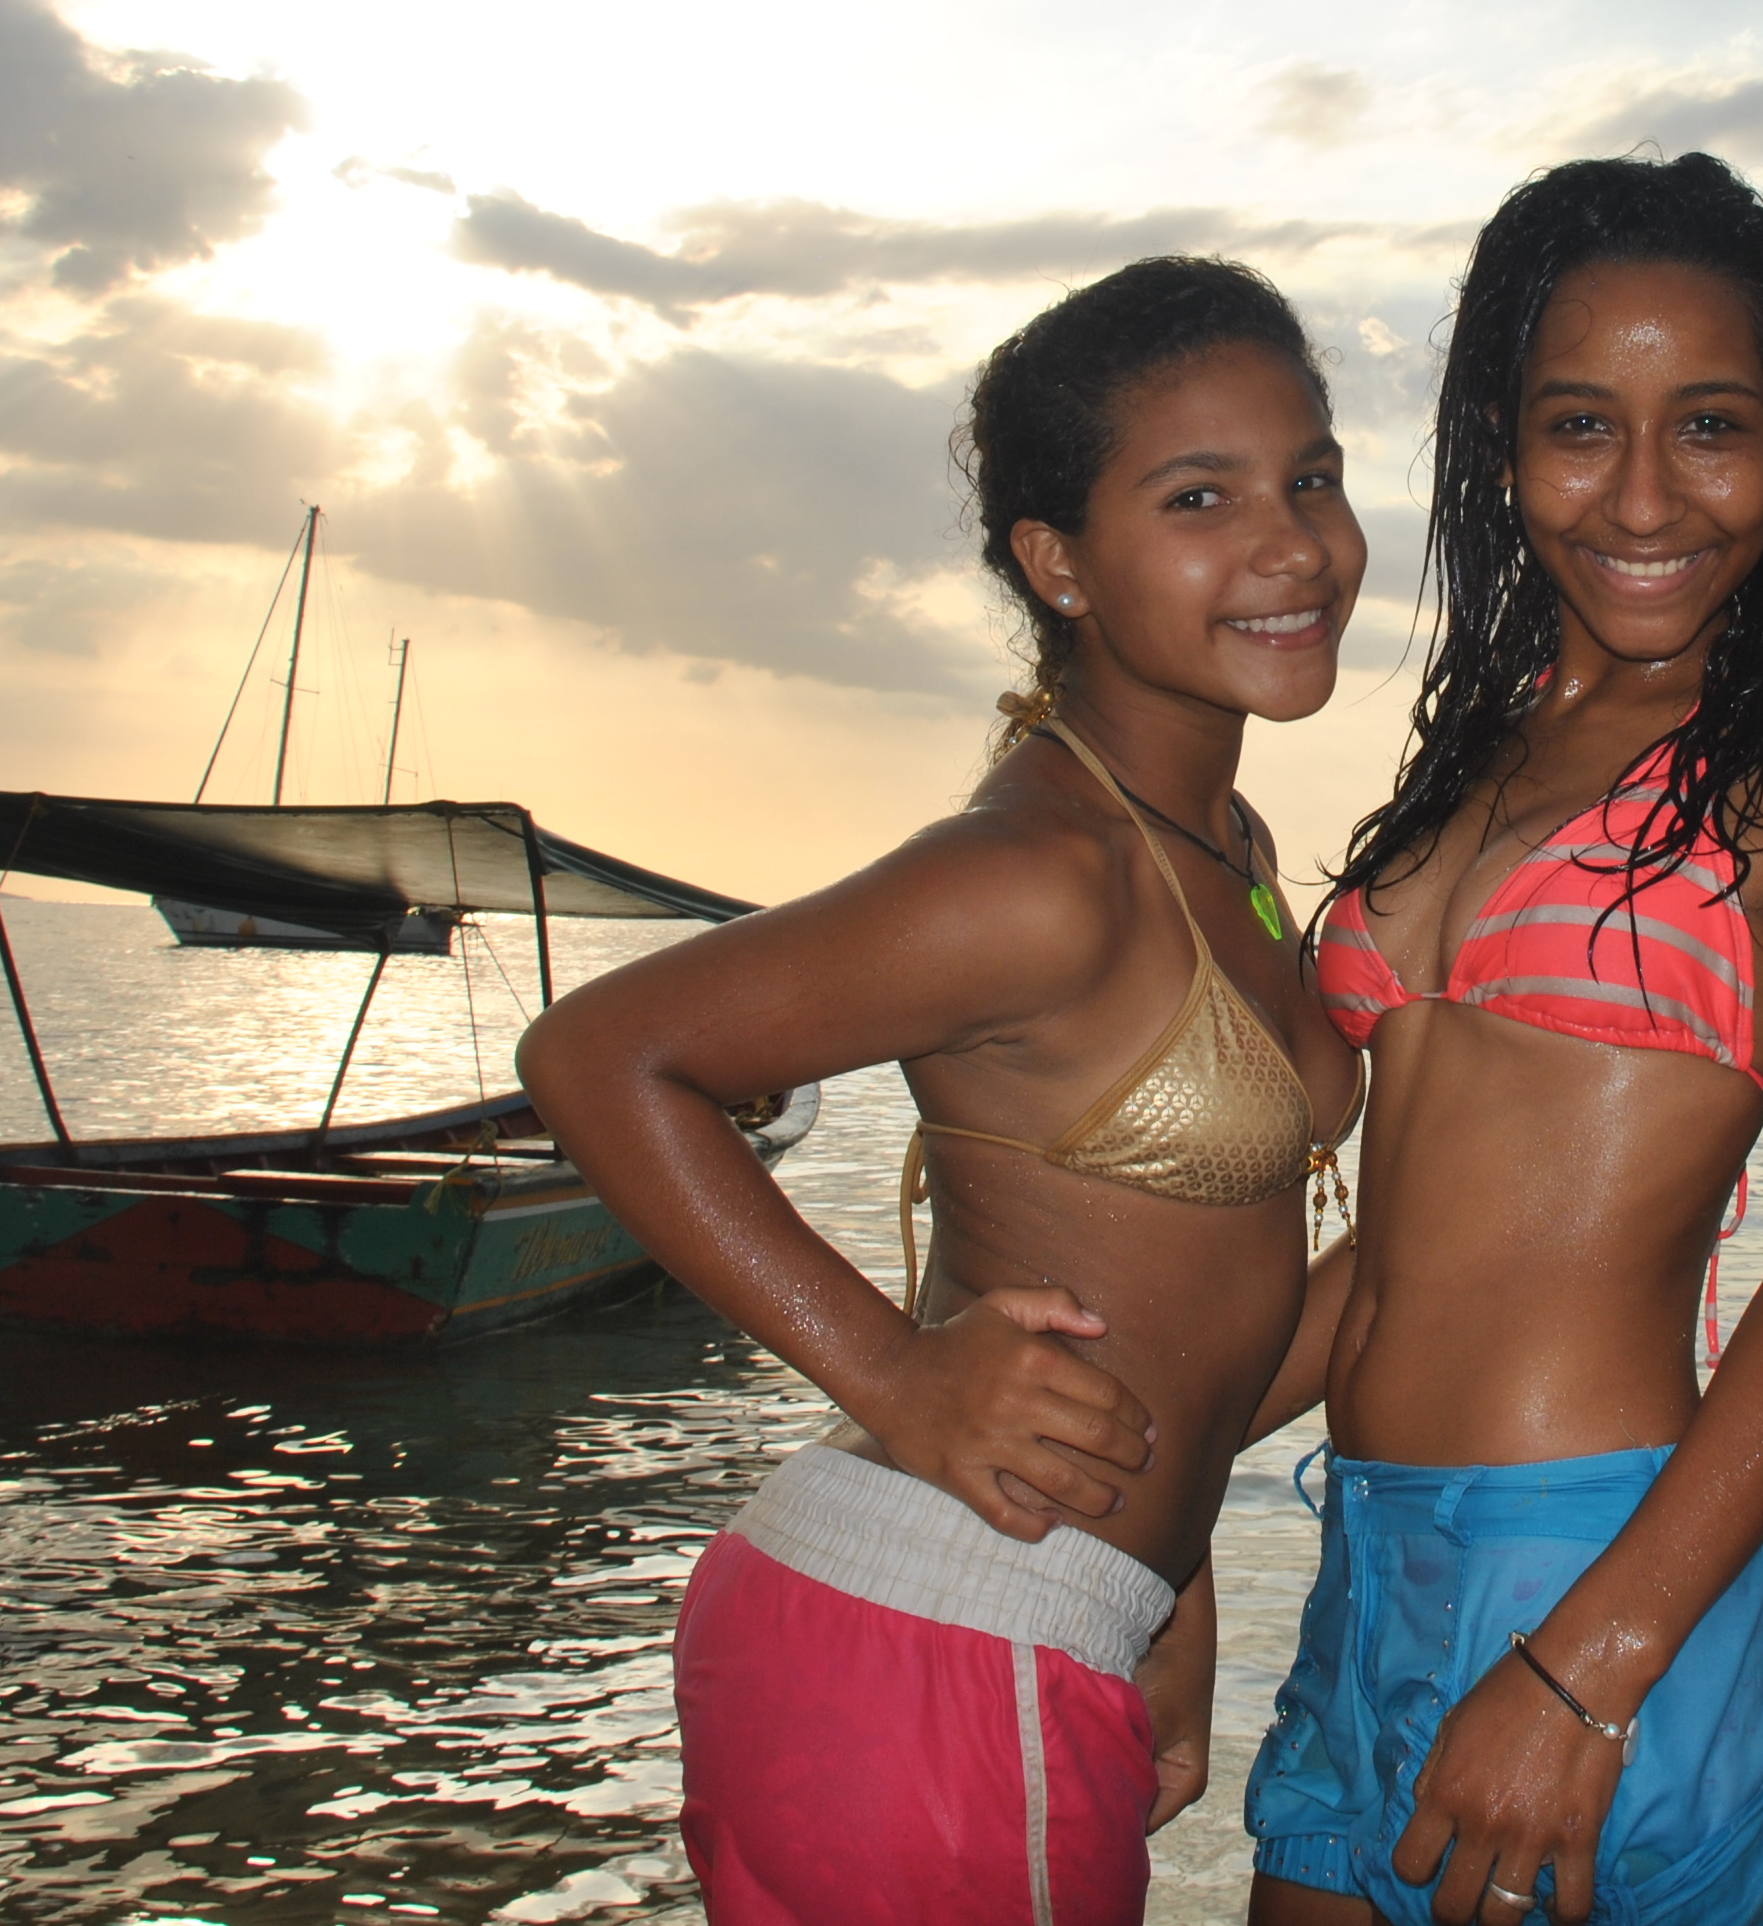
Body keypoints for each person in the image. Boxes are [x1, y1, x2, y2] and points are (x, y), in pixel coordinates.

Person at [515, 256, 1369, 1926]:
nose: (1293, 545)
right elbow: (602, 1056)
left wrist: (1174, 1582)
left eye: (1312, 478)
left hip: (1032, 1630)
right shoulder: (1043, 872)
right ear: (1058, 563)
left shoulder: (1230, 847)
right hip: (940, 1648)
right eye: (1200, 498)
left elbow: (1168, 1301)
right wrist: (897, 1374)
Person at [1241, 152, 1763, 1926]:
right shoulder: (1466, 768)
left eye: (1708, 425)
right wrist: (1135, 1497)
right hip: (1366, 1563)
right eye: (1580, 426)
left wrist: (1587, 1672)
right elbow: (1406, 1255)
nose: (1643, 495)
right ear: (1501, 448)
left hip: (1604, 1578)